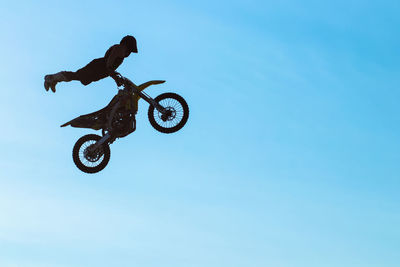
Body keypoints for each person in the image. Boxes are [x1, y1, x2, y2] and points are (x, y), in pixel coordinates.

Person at [44, 35, 138, 92]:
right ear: (127, 45)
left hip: (99, 70)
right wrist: (113, 73)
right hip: (97, 67)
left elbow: (110, 68)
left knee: (77, 77)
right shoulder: (120, 49)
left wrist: (115, 78)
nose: (129, 53)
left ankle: (55, 79)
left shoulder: (121, 52)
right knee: (77, 76)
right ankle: (51, 78)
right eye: (129, 50)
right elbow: (109, 62)